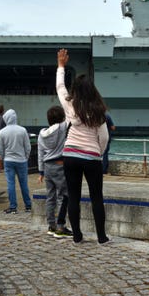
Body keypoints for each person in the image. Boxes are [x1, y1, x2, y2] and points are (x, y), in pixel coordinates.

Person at [56, 48, 110, 244]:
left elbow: (60, 87)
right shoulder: (98, 111)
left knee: (73, 195)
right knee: (96, 197)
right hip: (91, 157)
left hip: (70, 154)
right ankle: (101, 237)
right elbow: (103, 137)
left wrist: (61, 66)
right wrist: (99, 153)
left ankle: (77, 236)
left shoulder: (70, 106)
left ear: (76, 90)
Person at [37, 105, 72, 238]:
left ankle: (51, 225)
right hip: (59, 165)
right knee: (64, 196)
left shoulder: (42, 134)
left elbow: (40, 154)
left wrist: (41, 172)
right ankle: (61, 227)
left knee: (50, 197)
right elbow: (70, 118)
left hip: (47, 167)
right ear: (62, 117)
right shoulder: (62, 128)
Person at [0, 108, 31, 214]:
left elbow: (0, 149)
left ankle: (13, 207)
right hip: (21, 160)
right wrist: (25, 157)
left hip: (8, 160)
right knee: (24, 183)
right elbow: (28, 147)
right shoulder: (23, 130)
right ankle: (28, 206)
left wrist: (3, 158)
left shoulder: (2, 132)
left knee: (10, 184)